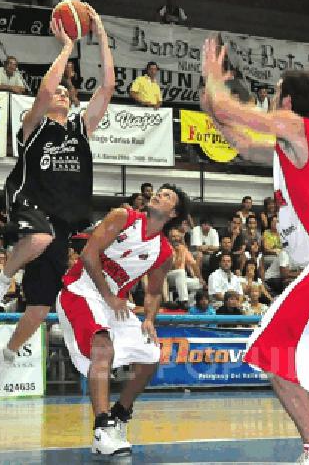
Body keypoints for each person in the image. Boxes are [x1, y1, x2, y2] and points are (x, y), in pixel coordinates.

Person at [199, 36, 309, 465]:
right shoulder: (286, 148)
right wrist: (212, 102)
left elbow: (237, 111)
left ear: (288, 102)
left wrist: (214, 81)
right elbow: (236, 138)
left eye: (275, 94)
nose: (271, 99)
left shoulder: (301, 128)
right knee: (300, 369)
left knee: (272, 353)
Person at [0, 4, 118, 390]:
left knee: (40, 306)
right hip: (28, 202)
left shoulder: (80, 129)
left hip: (62, 219)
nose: (57, 93)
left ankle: (4, 358)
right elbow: (42, 89)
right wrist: (66, 47)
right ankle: (0, 282)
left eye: (63, 92)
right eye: (54, 91)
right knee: (38, 237)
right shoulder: (34, 126)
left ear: (71, 103)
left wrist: (101, 33)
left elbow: (106, 87)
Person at [53, 184, 188, 455]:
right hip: (82, 290)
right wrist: (109, 296)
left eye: (166, 196)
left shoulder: (163, 254)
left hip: (115, 303)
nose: (158, 195)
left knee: (151, 355)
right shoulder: (122, 217)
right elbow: (89, 254)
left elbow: (152, 292)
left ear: (172, 213)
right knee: (103, 348)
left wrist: (149, 319)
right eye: (158, 192)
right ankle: (102, 428)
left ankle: (120, 414)